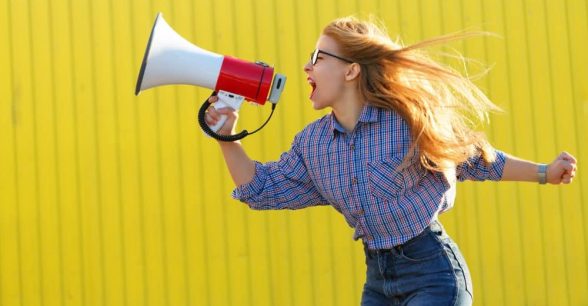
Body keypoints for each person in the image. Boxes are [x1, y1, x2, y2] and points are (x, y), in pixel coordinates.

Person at [203, 16, 577, 306]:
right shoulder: (313, 145)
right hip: (379, 281)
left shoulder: (406, 123)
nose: (306, 67)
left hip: (432, 272)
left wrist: (545, 172)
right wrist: (226, 136)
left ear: (351, 70)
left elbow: (479, 162)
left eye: (317, 58)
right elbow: (261, 190)